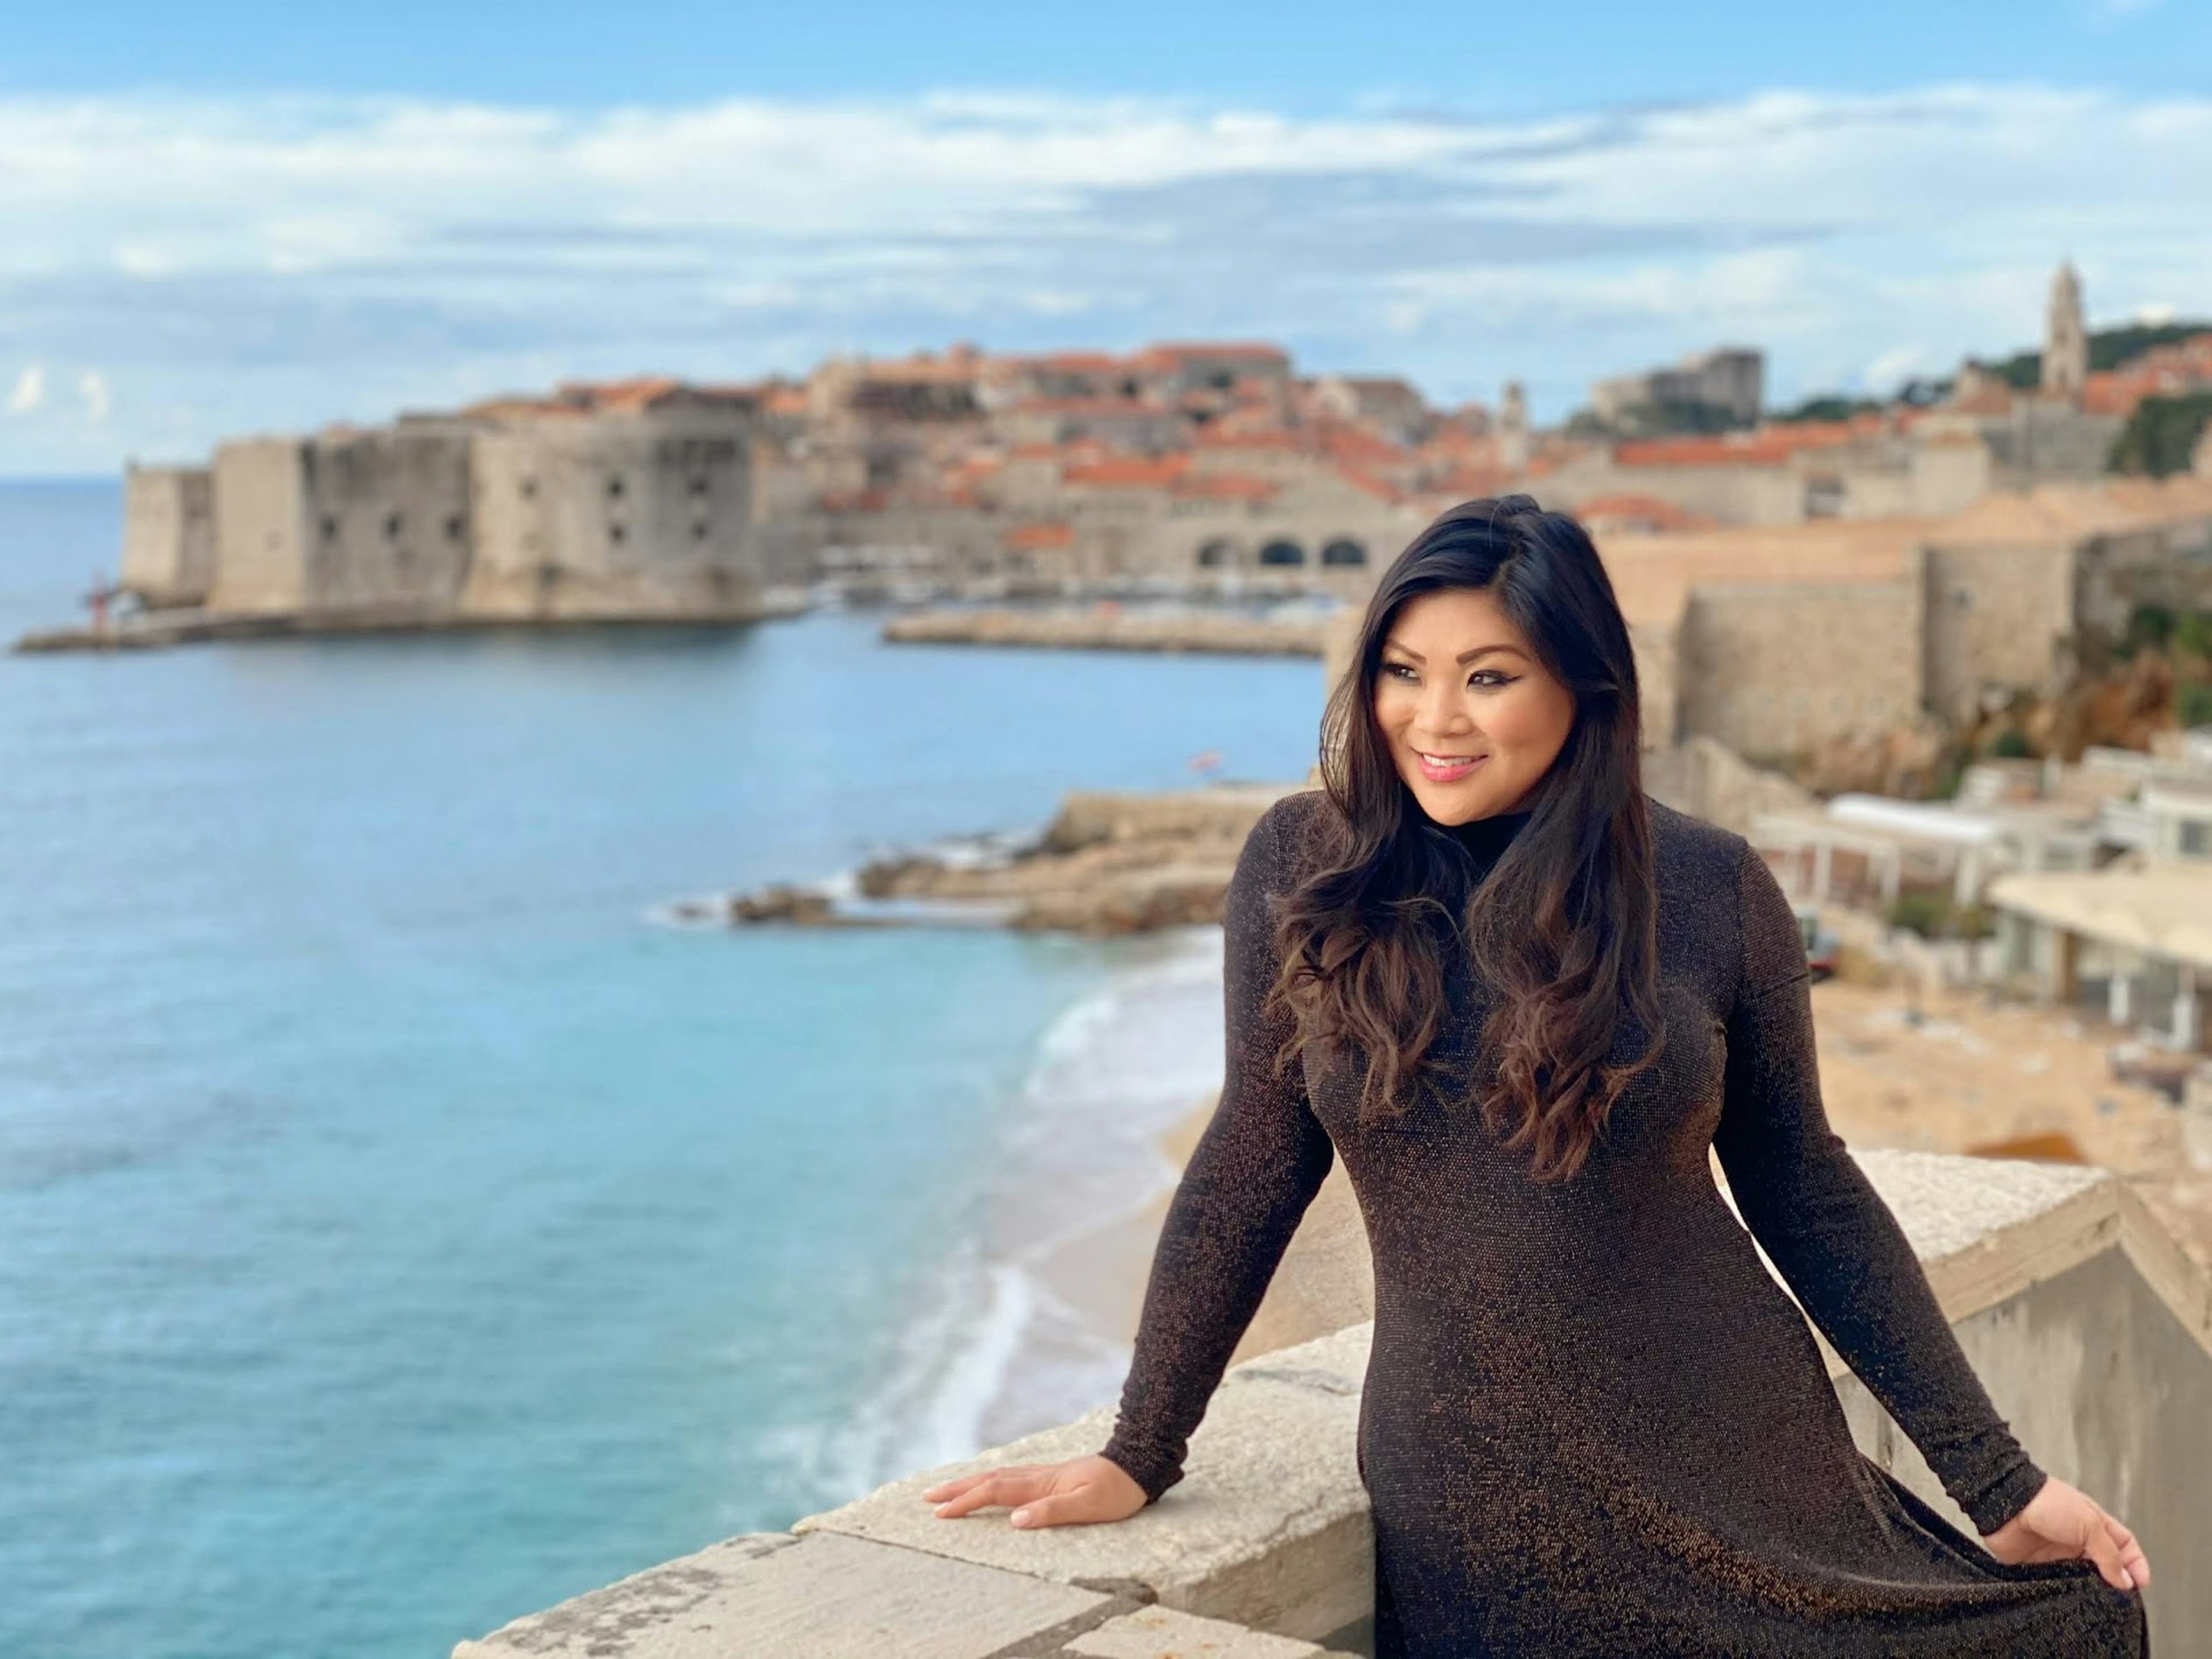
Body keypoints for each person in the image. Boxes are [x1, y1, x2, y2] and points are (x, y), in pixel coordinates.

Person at [923, 495, 2153, 1656]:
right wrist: (1143, 1449)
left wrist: (1998, 1480)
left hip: (1745, 1459)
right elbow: (1254, 1155)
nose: (1434, 719)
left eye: (1488, 677)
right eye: (1404, 673)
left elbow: (1806, 1189)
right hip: (1473, 1497)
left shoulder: (1713, 888)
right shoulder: (1307, 865)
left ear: (1585, 688)